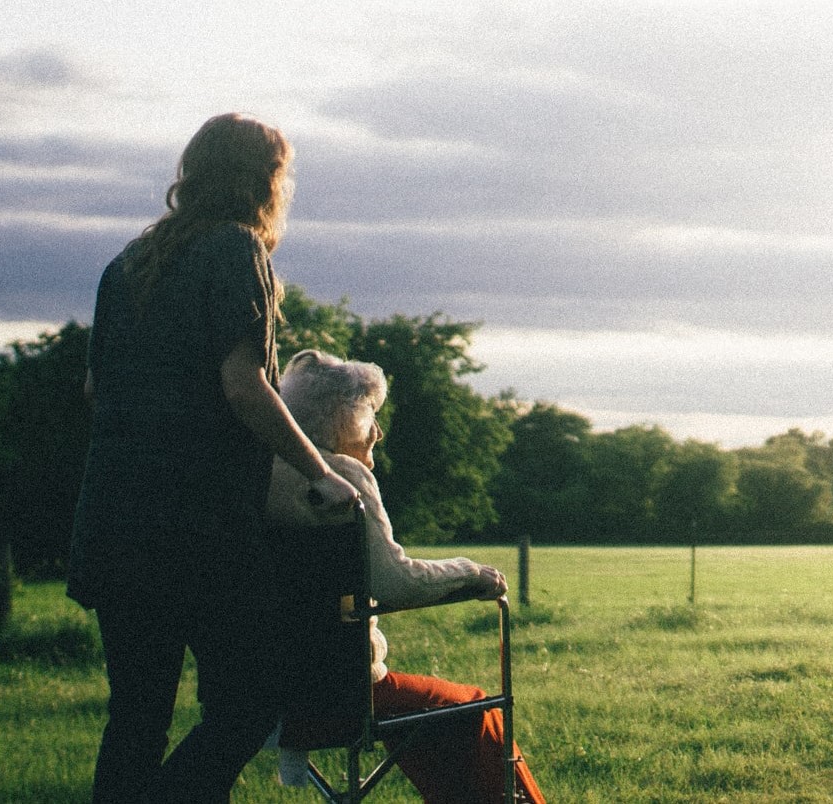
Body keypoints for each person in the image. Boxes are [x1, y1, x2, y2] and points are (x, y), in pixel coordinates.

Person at [67, 114, 360, 804]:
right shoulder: (234, 250)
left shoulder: (128, 262)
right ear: (264, 179)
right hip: (196, 530)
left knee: (136, 718)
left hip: (112, 520)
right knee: (253, 699)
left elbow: (93, 388)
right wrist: (320, 472)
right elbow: (243, 385)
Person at [266, 350, 547, 804]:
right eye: (370, 415)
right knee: (473, 710)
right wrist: (470, 573)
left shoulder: (262, 473)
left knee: (439, 715)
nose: (378, 431)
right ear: (341, 418)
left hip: (264, 689)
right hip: (341, 693)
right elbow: (397, 582)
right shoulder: (342, 476)